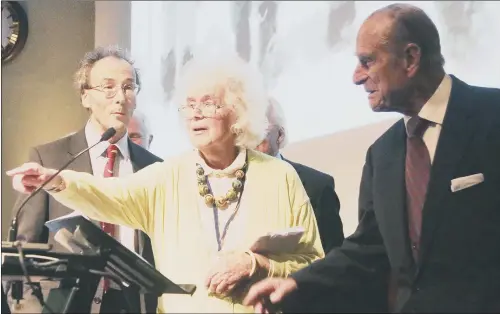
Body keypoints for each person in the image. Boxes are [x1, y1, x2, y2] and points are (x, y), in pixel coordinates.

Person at [7, 54, 325, 313]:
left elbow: (312, 262)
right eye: (189, 104)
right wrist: (58, 179)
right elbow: (108, 194)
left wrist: (254, 263)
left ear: (236, 110)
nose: (195, 114)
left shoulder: (279, 176)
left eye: (209, 103)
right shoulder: (168, 175)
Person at [244, 3, 500, 313]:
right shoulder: (383, 154)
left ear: (410, 58)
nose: (356, 77)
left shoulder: (492, 117)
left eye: (367, 61)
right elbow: (368, 249)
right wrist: (298, 283)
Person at [7, 46, 161, 314]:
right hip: (60, 304)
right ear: (85, 96)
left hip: (132, 305)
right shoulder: (49, 159)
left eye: (128, 87)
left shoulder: (154, 167)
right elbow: (24, 254)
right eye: (108, 88)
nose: (120, 98)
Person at [256, 97, 344, 253]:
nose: (248, 142)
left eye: (258, 132)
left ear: (280, 135)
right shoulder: (224, 185)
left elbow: (333, 257)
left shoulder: (316, 186)